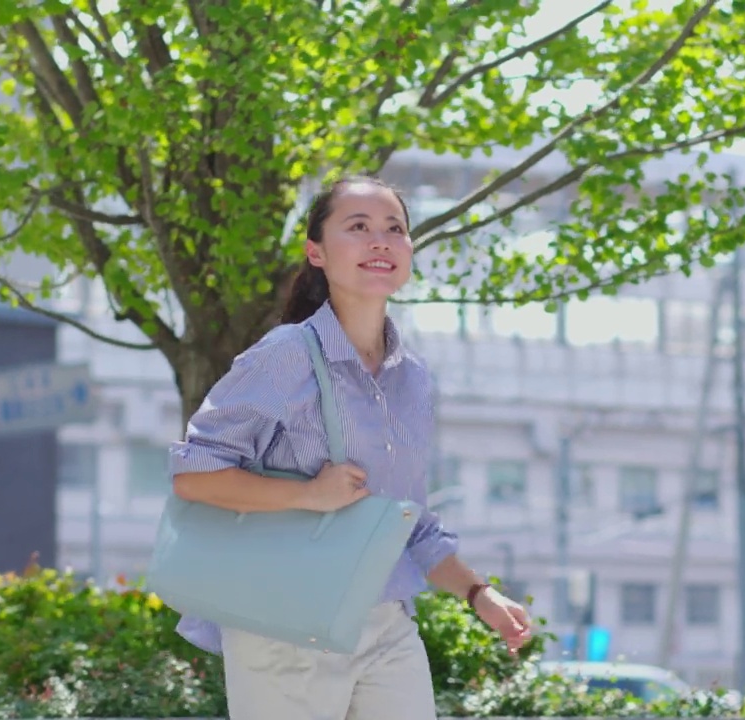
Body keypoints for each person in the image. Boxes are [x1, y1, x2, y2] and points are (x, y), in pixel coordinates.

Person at [168, 176, 532, 719]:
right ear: (316, 252)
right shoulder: (287, 354)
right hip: (285, 619)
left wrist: (481, 595)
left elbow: (412, 525)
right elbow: (193, 476)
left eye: (394, 229)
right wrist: (310, 495)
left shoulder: (412, 379)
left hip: (386, 621)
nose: (380, 241)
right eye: (357, 227)